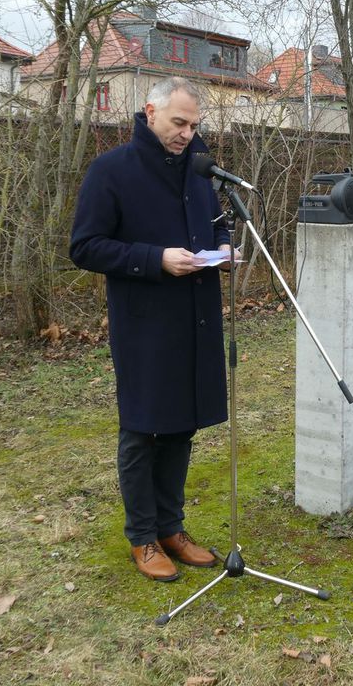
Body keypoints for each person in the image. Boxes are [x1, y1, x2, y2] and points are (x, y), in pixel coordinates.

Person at [70, 77, 230, 582]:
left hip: (196, 316)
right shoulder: (111, 170)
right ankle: (142, 535)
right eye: (179, 123)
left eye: (194, 125)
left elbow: (217, 222)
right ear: (150, 111)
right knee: (143, 428)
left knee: (182, 425)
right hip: (144, 323)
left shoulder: (199, 170)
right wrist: (155, 258)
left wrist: (223, 249)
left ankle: (170, 527)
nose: (186, 134)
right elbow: (85, 246)